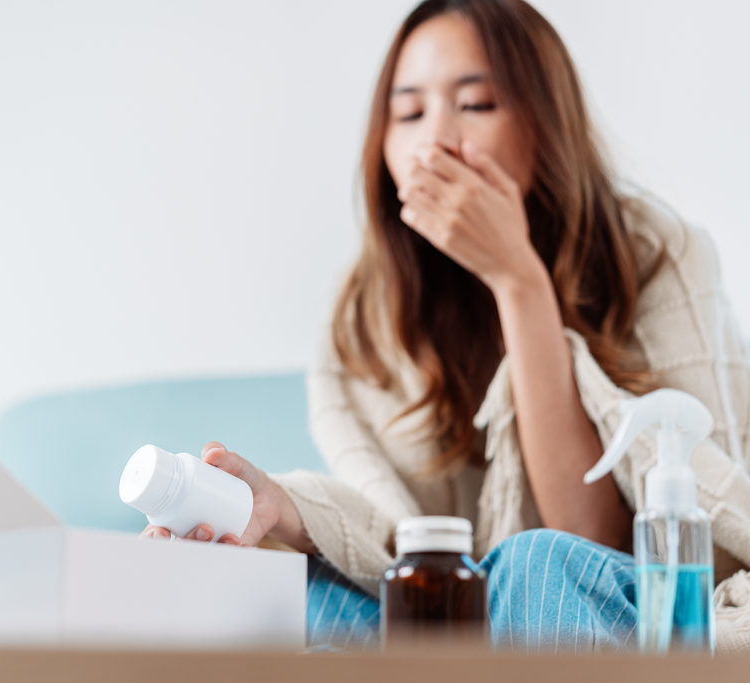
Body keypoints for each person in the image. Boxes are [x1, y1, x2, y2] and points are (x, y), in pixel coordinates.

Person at [140, 0, 750, 653]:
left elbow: (616, 548)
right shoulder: (360, 318)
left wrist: (518, 281)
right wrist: (284, 508)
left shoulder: (658, 254)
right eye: (408, 114)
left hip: (621, 620)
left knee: (533, 565)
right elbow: (396, 547)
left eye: (477, 104)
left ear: (545, 125)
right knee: (314, 592)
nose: (434, 140)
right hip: (456, 627)